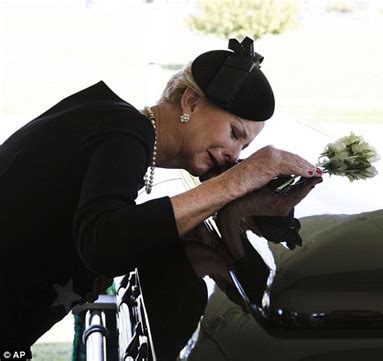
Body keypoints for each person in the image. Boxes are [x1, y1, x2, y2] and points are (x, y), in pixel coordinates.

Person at [0, 37, 321, 359]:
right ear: (191, 102)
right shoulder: (124, 132)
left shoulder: (112, 122)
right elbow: (105, 244)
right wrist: (238, 180)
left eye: (244, 149)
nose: (233, 156)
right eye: (234, 133)